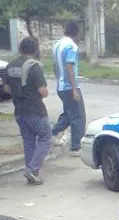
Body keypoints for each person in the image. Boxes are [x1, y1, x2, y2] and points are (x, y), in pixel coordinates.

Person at [6, 37, 52, 185]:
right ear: (35, 50)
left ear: (20, 49)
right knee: (45, 137)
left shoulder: (11, 65)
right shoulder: (34, 67)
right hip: (35, 109)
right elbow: (43, 91)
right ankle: (32, 169)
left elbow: (6, 88)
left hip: (19, 110)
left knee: (29, 140)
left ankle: (31, 171)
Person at [51, 22, 85, 156]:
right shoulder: (71, 46)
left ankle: (52, 132)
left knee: (68, 113)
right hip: (70, 86)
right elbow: (69, 67)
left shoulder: (57, 44)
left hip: (60, 86)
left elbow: (55, 66)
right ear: (76, 33)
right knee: (78, 116)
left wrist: (58, 79)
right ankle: (76, 147)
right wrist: (74, 89)